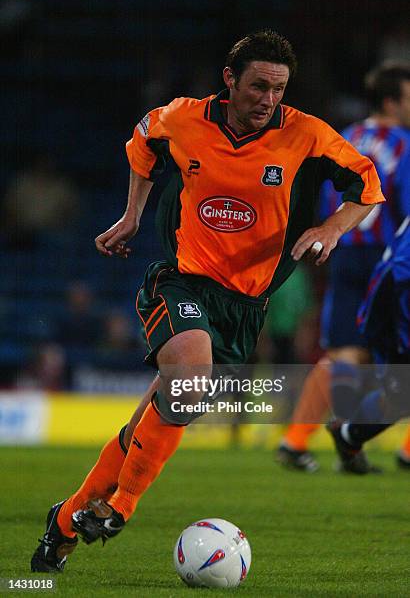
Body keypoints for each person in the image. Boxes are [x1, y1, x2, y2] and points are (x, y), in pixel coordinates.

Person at [30, 30, 384, 573]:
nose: (268, 99)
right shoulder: (182, 119)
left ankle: (64, 522)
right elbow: (143, 142)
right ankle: (121, 507)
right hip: (182, 280)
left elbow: (367, 183)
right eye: (259, 86)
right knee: (191, 381)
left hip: (246, 306)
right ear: (229, 80)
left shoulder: (306, 134)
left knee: (154, 419)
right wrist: (132, 216)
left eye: (279, 89)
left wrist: (331, 228)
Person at [277, 61, 410, 472]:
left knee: (345, 352)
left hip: (342, 247)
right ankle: (393, 448)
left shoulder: (345, 137)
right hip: (391, 258)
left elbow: (320, 195)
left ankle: (299, 440)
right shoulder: (405, 144)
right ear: (391, 100)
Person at [327, 216, 410, 469]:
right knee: (400, 399)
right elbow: (396, 272)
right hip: (396, 311)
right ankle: (348, 434)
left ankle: (347, 433)